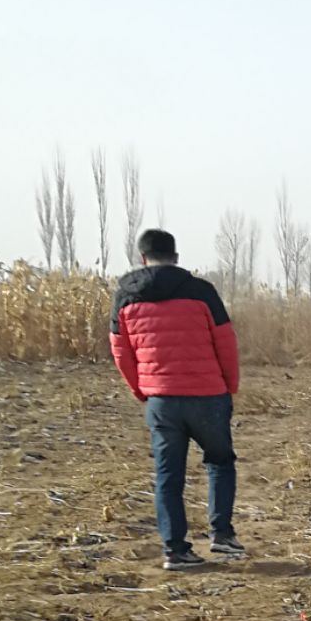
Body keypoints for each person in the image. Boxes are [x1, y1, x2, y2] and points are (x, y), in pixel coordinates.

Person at [109, 228, 245, 570]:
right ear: (176, 257)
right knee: (219, 461)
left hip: (161, 400)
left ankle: (175, 551)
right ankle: (222, 536)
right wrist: (230, 386)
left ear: (142, 258)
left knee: (168, 475)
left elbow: (120, 351)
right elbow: (225, 342)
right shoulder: (202, 292)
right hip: (208, 395)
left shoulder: (125, 295)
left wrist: (140, 389)